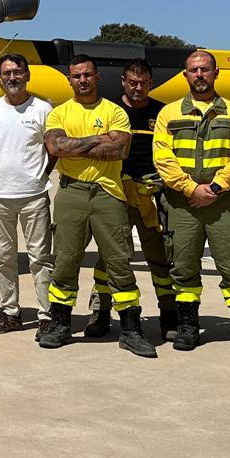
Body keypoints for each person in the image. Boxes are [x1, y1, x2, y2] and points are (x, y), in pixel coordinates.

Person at [42, 54, 156, 357]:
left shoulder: (115, 111)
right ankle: (60, 324)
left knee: (119, 262)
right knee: (65, 260)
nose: (82, 80)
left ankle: (131, 329)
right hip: (71, 193)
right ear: (69, 79)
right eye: (76, 75)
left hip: (108, 193)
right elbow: (55, 147)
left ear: (96, 77)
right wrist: (96, 139)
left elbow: (119, 149)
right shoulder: (59, 113)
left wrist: (76, 145)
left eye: (88, 75)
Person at [152, 50, 230, 356]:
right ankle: (187, 326)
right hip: (181, 203)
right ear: (185, 74)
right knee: (183, 266)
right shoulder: (169, 114)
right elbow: (163, 157)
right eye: (193, 70)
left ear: (215, 73)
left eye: (205, 70)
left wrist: (216, 186)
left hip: (223, 203)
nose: (199, 75)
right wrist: (189, 188)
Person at [86, 61, 178, 342]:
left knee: (161, 258)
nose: (138, 88)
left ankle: (169, 315)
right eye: (133, 83)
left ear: (150, 83)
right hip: (118, 195)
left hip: (152, 196)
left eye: (144, 83)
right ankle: (100, 312)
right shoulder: (111, 111)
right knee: (110, 259)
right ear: (123, 82)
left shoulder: (161, 112)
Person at [0, 52, 55, 335]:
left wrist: (39, 175)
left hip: (34, 195)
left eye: (17, 72)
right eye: (7, 73)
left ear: (27, 75)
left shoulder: (42, 110)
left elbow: (52, 150)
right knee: (4, 257)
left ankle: (47, 315)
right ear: (1, 77)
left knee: (40, 258)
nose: (12, 77)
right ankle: (11, 312)